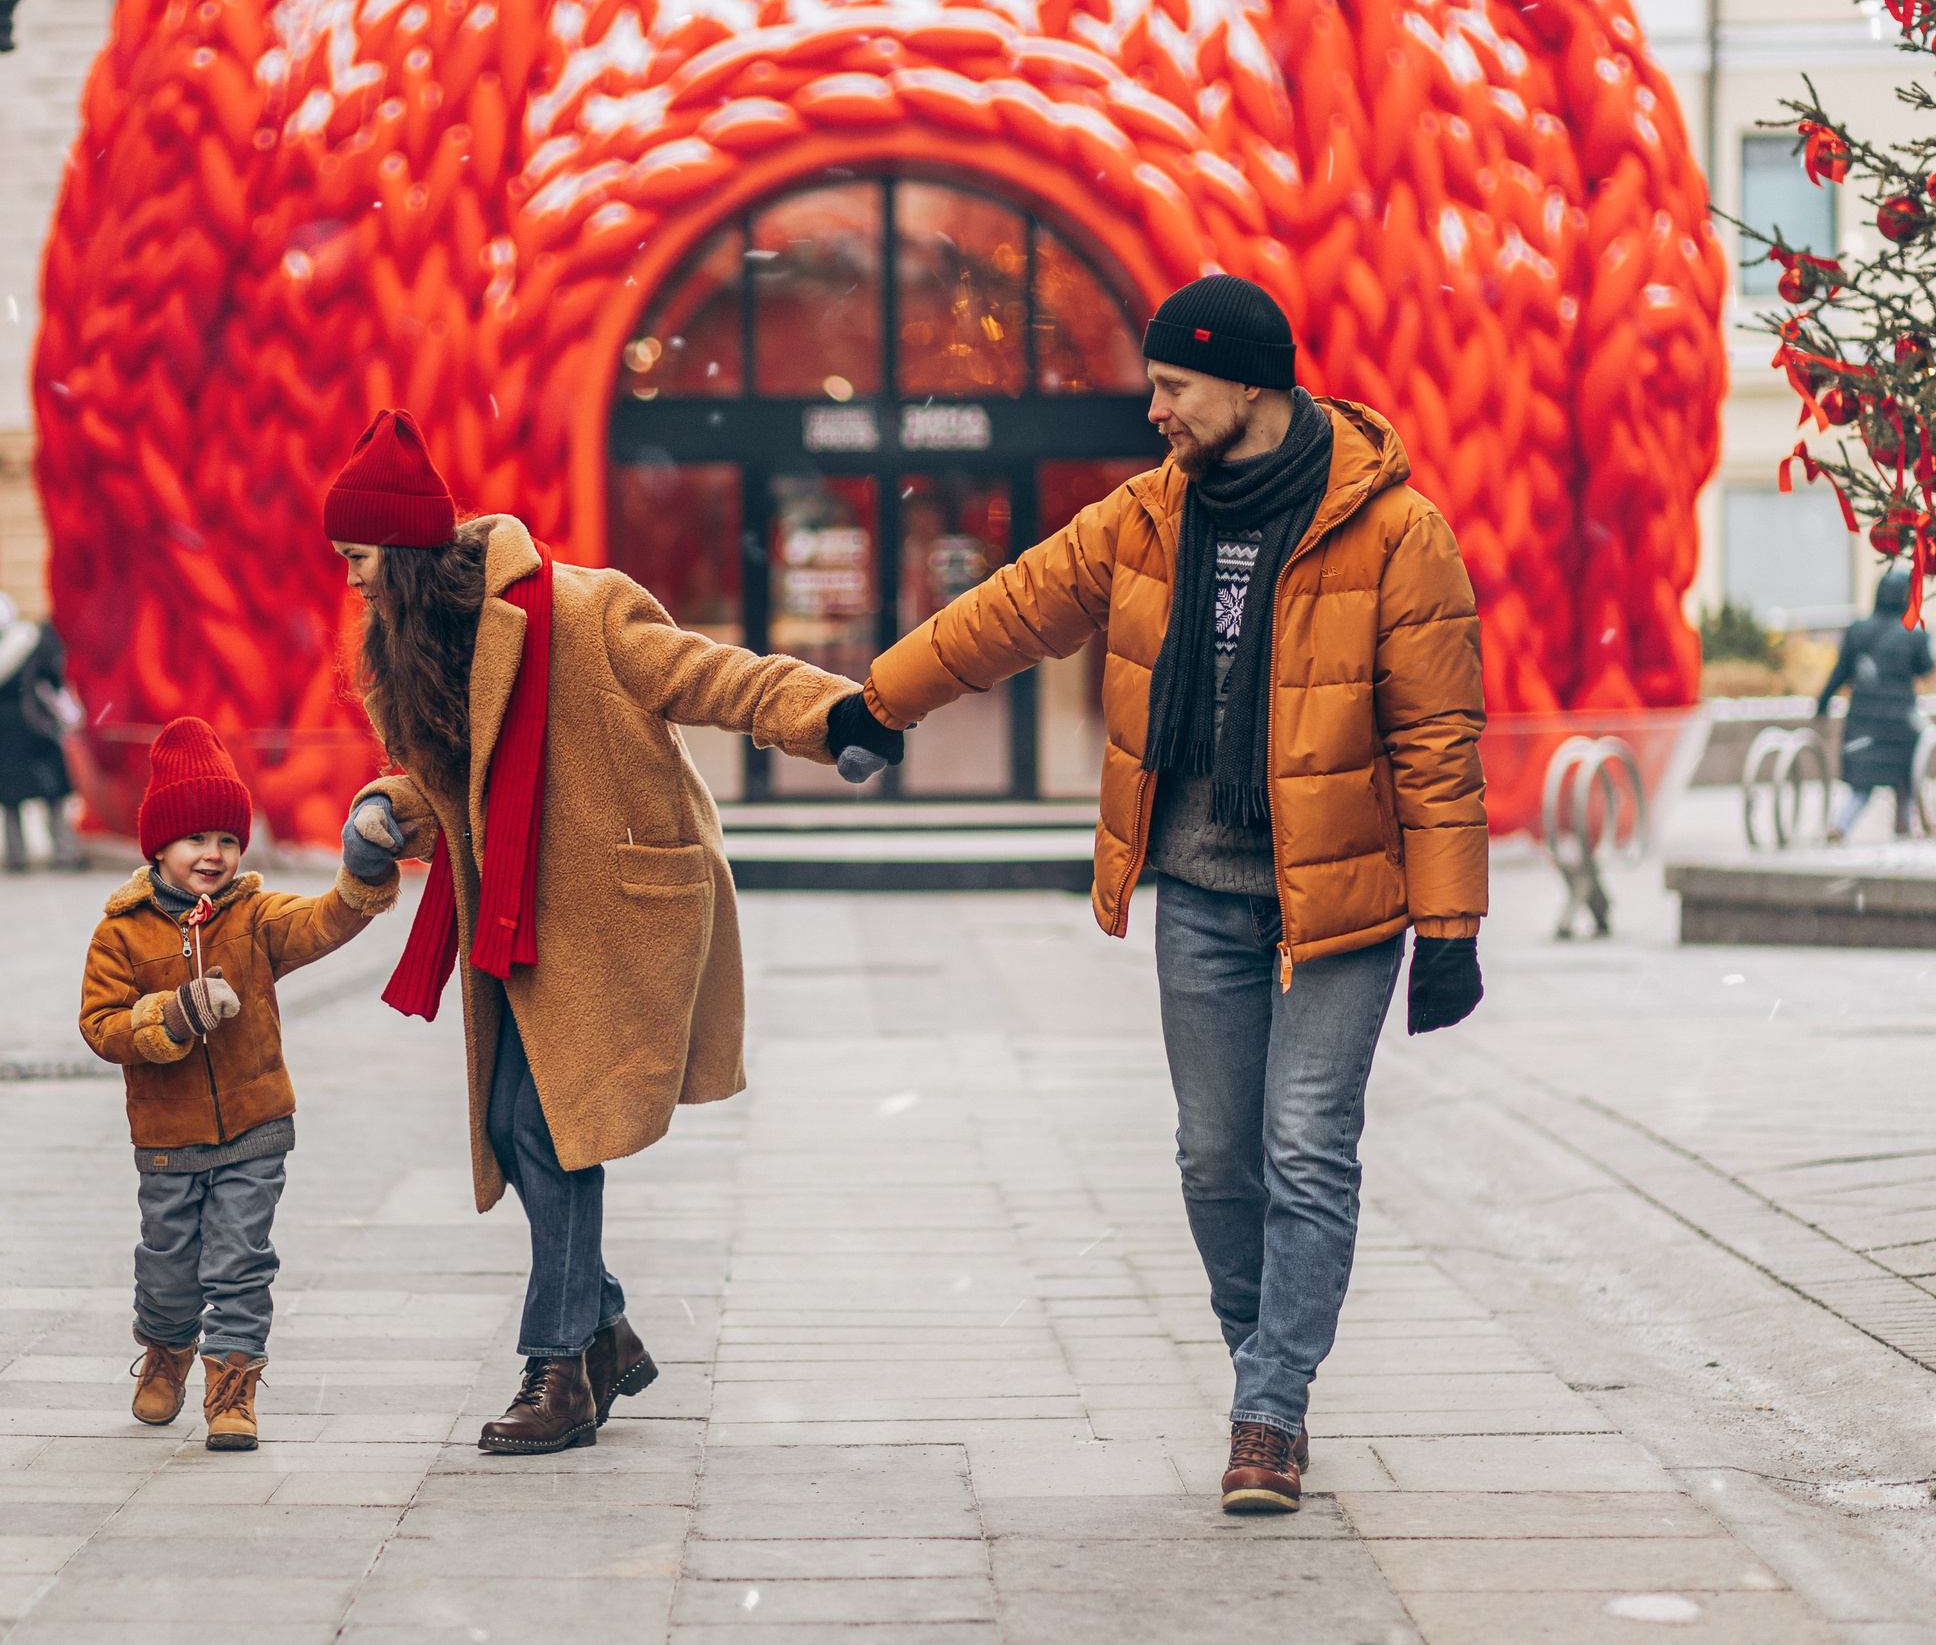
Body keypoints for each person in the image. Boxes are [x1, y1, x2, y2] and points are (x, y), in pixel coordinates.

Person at [858, 275, 1487, 1514]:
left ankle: (1270, 1409)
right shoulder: (1147, 518)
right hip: (1200, 888)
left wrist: (1450, 925)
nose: (1152, 409)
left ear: (1247, 383)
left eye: (1172, 386)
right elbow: (1014, 608)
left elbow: (1436, 738)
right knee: (1213, 1157)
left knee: (1304, 1144)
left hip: (1342, 899)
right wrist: (882, 699)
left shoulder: (1397, 532)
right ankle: (1263, 1358)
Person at [326, 410, 902, 1456]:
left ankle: (560, 1371)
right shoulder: (417, 650)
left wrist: (835, 714)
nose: (351, 576)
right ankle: (604, 1327)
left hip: (612, 911)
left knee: (549, 1130)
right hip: (517, 913)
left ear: (404, 550)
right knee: (512, 1128)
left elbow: (711, 673)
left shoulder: (580, 609)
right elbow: (453, 789)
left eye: (359, 554)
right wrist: (386, 810)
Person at [77, 717, 402, 1449]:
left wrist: (362, 870)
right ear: (159, 844)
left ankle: (232, 1385)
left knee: (240, 1260)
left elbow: (323, 921)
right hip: (167, 1138)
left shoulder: (255, 916)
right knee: (167, 1266)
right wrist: (173, 1014)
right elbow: (100, 1024)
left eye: (227, 838)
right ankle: (167, 1349)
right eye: (195, 838)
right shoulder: (120, 933)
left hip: (255, 1129)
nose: (213, 854)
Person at [0, 589, 84, 871]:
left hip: (6, 730)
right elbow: (52, 680)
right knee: (53, 793)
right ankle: (65, 852)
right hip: (37, 725)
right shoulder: (33, 640)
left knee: (11, 797)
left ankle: (16, 855)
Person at [1820, 565, 1932, 841]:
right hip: (1901, 720)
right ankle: (1904, 827)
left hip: (1863, 720)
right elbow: (1925, 668)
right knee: (1905, 778)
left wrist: (1822, 703)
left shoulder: (1857, 631)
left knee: (1862, 786)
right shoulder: (1913, 633)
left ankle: (1839, 826)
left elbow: (1840, 672)